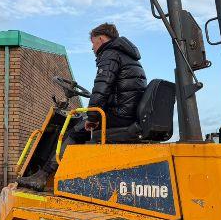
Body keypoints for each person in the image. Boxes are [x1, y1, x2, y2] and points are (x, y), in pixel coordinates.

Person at [17, 22, 147, 191]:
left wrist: (93, 118)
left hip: (120, 113)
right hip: (128, 111)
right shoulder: (127, 55)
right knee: (80, 123)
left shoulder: (110, 54)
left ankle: (43, 176)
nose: (92, 48)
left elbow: (101, 89)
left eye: (93, 43)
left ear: (101, 39)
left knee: (72, 131)